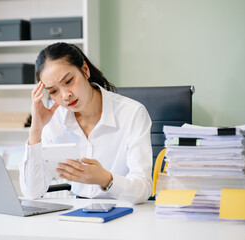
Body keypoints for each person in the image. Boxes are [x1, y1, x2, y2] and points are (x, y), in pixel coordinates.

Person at [19, 42, 152, 204]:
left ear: (85, 70)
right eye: (53, 91)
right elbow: (32, 193)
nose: (65, 95)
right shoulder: (53, 121)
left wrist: (106, 179)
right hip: (76, 212)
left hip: (123, 210)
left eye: (68, 81)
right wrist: (36, 131)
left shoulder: (132, 113)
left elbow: (143, 189)